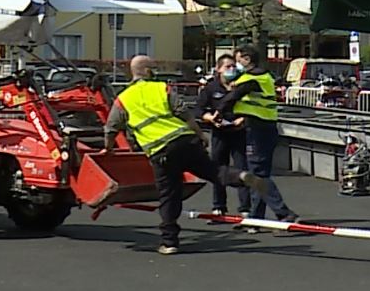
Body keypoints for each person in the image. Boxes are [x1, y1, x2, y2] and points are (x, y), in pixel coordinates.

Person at [104, 55, 268, 255]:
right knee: (213, 171)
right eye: (153, 67)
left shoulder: (123, 98)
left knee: (169, 195)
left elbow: (111, 127)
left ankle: (169, 242)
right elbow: (184, 112)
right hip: (185, 140)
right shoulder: (162, 88)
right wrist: (200, 135)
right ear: (146, 71)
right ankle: (240, 176)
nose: (155, 70)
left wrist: (108, 148)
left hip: (160, 151)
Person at [217, 44, 300, 230]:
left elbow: (233, 97)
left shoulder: (253, 78)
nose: (236, 66)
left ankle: (284, 213)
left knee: (258, 175)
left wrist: (218, 112)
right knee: (258, 173)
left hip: (258, 129)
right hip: (264, 127)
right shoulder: (263, 76)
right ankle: (255, 219)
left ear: (247, 59)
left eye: (238, 61)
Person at [195, 53, 248, 216]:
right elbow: (198, 110)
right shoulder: (211, 88)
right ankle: (219, 206)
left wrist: (243, 119)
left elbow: (253, 107)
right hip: (219, 133)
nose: (231, 69)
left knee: (242, 170)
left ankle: (245, 208)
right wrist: (210, 118)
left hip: (239, 132)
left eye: (233, 66)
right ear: (218, 69)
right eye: (227, 67)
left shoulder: (242, 85)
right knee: (218, 169)